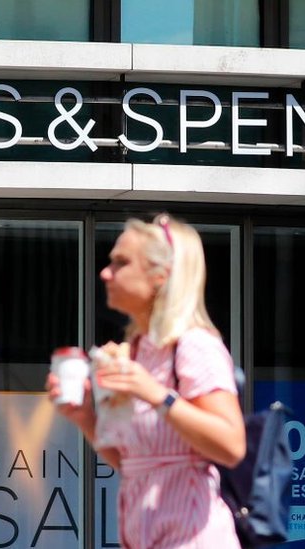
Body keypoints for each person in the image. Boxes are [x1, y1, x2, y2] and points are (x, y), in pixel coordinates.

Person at [47, 214, 246, 549]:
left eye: (121, 263)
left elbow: (231, 445)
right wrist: (84, 417)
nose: (105, 272)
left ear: (160, 277)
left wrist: (157, 395)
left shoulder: (193, 344)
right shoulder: (141, 351)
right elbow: (132, 462)